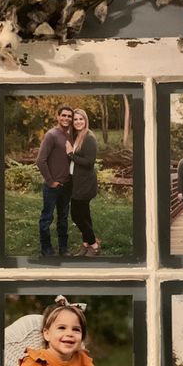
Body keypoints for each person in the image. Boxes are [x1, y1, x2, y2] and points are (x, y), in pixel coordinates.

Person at [36, 105, 74, 256]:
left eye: (69, 116)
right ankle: (46, 249)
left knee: (63, 219)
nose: (66, 118)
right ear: (58, 117)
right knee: (47, 218)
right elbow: (40, 160)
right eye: (63, 115)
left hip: (67, 185)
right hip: (53, 186)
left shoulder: (69, 135)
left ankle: (63, 249)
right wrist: (51, 181)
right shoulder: (51, 135)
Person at [66, 108, 101, 256]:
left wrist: (70, 154)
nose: (78, 122)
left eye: (81, 119)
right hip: (77, 181)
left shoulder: (89, 138)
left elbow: (89, 162)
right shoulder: (77, 135)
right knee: (84, 214)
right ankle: (86, 243)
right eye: (75, 119)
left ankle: (94, 244)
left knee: (76, 215)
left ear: (85, 120)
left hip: (85, 183)